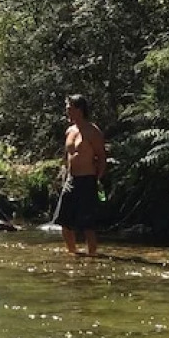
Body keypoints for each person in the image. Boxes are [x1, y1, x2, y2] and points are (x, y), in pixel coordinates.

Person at [57, 94, 107, 256]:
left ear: (80, 110)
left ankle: (92, 256)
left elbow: (101, 157)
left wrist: (96, 179)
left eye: (70, 109)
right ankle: (73, 253)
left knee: (87, 225)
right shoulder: (69, 131)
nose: (67, 112)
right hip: (71, 180)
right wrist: (65, 176)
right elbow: (68, 157)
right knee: (64, 221)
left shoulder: (93, 132)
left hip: (87, 180)